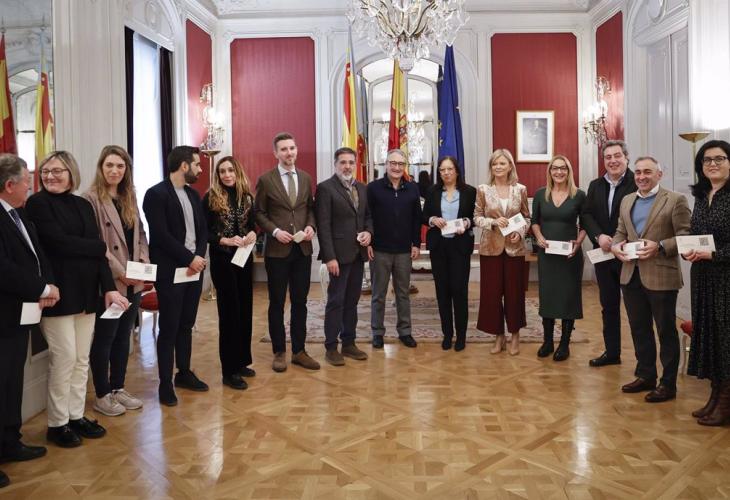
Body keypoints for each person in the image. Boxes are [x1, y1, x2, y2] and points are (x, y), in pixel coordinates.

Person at [26, 151, 129, 447]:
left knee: (82, 358)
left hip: (87, 294)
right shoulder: (37, 203)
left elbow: (98, 255)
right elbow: (57, 243)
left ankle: (76, 415)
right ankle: (57, 424)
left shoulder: (82, 205)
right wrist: (95, 247)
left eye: (57, 171)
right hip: (58, 294)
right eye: (46, 171)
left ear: (71, 173)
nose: (50, 176)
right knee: (65, 358)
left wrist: (109, 288)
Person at [612, 156, 690, 403]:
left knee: (665, 331)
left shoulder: (675, 200)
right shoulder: (627, 200)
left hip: (661, 275)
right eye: (638, 172)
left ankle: (668, 384)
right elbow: (620, 232)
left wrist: (661, 246)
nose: (641, 177)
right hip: (631, 274)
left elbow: (686, 236)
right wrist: (615, 246)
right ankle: (646, 375)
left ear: (659, 174)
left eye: (647, 172)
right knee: (639, 328)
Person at [0, 154, 54, 487]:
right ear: (10, 185)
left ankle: (10, 442)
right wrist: (42, 288)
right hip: (3, 315)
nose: (29, 188)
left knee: (11, 382)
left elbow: (36, 257)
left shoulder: (18, 215)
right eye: (26, 182)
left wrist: (45, 285)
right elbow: (4, 269)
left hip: (19, 316)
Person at [83, 146, 148, 417]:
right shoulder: (90, 199)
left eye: (120, 166)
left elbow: (141, 234)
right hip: (111, 283)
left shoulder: (128, 196)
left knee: (124, 336)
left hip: (134, 281)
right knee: (105, 338)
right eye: (109, 165)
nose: (114, 171)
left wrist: (142, 264)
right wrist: (121, 272)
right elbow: (96, 244)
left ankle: (118, 387)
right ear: (101, 167)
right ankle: (102, 394)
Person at [143, 146, 209, 406]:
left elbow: (203, 231)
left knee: (186, 324)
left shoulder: (193, 194)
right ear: (184, 165)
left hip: (194, 270)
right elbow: (160, 235)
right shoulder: (156, 194)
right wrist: (188, 258)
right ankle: (165, 383)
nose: (200, 169)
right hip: (171, 270)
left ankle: (184, 372)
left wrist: (198, 257)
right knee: (169, 327)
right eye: (197, 164)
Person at [255, 132, 319, 372]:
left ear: (296, 150)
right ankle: (279, 351)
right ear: (276, 153)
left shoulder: (305, 177)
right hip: (277, 251)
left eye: (292, 148)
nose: (289, 153)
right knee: (277, 302)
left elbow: (310, 209)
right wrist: (274, 231)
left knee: (300, 302)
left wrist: (311, 226)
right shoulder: (266, 180)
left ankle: (299, 351)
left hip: (302, 250)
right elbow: (259, 212)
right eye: (283, 149)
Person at [685, 140, 730, 426]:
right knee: (711, 336)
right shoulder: (702, 196)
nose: (712, 164)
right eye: (706, 160)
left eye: (719, 158)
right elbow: (695, 232)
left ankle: (725, 402)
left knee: (726, 340)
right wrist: (688, 248)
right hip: (702, 276)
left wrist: (713, 254)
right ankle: (715, 395)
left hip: (726, 278)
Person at [203, 156, 257, 390]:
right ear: (217, 175)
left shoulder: (247, 197)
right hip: (223, 261)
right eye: (222, 171)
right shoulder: (210, 198)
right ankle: (229, 370)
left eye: (230, 170)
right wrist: (224, 239)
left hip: (244, 259)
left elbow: (253, 225)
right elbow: (204, 232)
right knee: (229, 314)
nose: (227, 175)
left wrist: (254, 233)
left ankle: (242, 361)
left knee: (245, 310)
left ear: (237, 172)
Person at [315, 147, 372, 366]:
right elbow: (323, 225)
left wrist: (369, 233)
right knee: (336, 301)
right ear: (335, 164)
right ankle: (331, 347)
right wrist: (330, 257)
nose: (347, 166)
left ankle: (349, 343)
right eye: (343, 162)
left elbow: (368, 217)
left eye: (350, 162)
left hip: (358, 254)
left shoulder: (362, 188)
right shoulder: (325, 188)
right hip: (338, 256)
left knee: (352, 301)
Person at [582, 140, 637, 367]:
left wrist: (618, 241)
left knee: (636, 309)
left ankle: (643, 363)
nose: (612, 161)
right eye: (608, 157)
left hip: (629, 255)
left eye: (617, 156)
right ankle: (612, 353)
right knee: (609, 306)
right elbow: (586, 215)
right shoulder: (595, 185)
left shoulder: (637, 182)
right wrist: (598, 237)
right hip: (604, 255)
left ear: (626, 157)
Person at [474, 149, 530, 355]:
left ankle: (515, 336)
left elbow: (527, 217)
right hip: (490, 249)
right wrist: (493, 222)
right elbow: (476, 217)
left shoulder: (520, 189)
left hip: (515, 250)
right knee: (492, 294)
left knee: (515, 294)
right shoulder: (483, 190)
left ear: (510, 166)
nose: (498, 167)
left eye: (502, 163)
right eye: (494, 164)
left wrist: (520, 232)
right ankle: (499, 336)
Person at [531, 155, 586, 361]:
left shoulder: (579, 195)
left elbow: (586, 224)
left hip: (569, 255)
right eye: (555, 168)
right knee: (548, 295)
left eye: (563, 168)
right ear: (550, 171)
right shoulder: (540, 194)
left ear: (569, 171)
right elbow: (534, 221)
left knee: (568, 297)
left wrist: (578, 242)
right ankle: (547, 342)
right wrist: (539, 236)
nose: (559, 172)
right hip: (547, 255)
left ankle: (564, 344)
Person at [367, 148, 422, 349]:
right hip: (379, 250)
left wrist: (416, 243)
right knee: (378, 294)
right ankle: (377, 332)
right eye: (393, 163)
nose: (397, 167)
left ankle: (405, 332)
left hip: (404, 251)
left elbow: (417, 219)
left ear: (404, 166)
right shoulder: (373, 188)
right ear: (386, 164)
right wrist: (369, 243)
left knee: (403, 294)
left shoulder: (413, 188)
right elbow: (367, 217)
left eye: (400, 164)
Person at [422, 156, 476, 351]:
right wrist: (432, 220)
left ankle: (461, 336)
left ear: (457, 171)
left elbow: (476, 217)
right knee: (442, 292)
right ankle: (447, 334)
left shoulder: (469, 192)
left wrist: (467, 223)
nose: (446, 173)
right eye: (442, 170)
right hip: (439, 247)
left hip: (460, 247)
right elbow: (424, 216)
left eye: (449, 169)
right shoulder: (432, 191)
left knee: (459, 292)